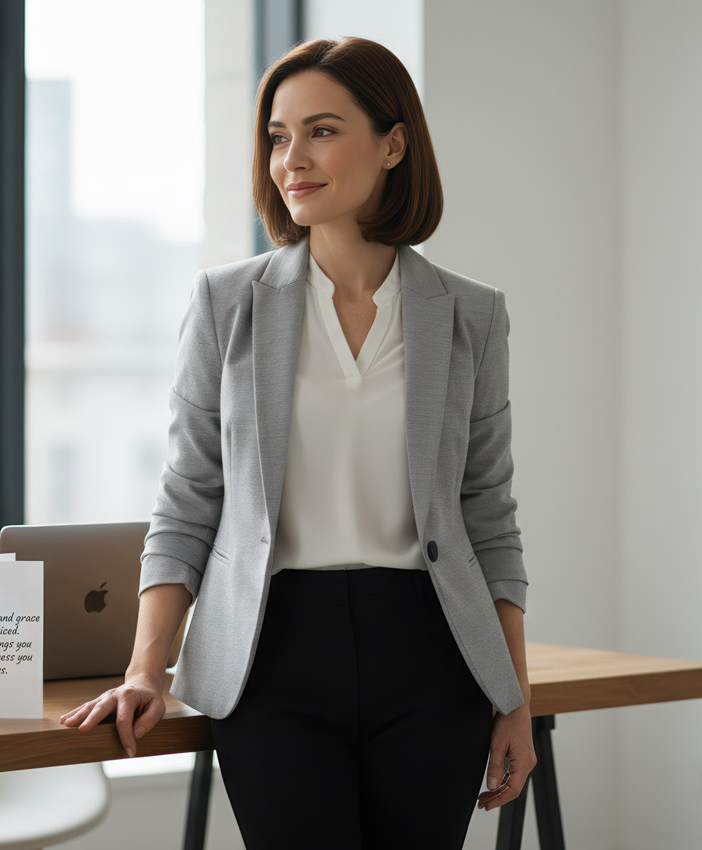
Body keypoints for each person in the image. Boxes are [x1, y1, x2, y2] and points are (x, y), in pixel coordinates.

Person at [59, 36, 535, 848]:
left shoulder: (470, 314)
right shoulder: (226, 304)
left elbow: (487, 514)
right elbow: (188, 498)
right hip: (272, 653)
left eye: (320, 131)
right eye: (278, 137)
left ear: (394, 144)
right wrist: (147, 668)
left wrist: (515, 698)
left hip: (433, 654)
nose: (291, 160)